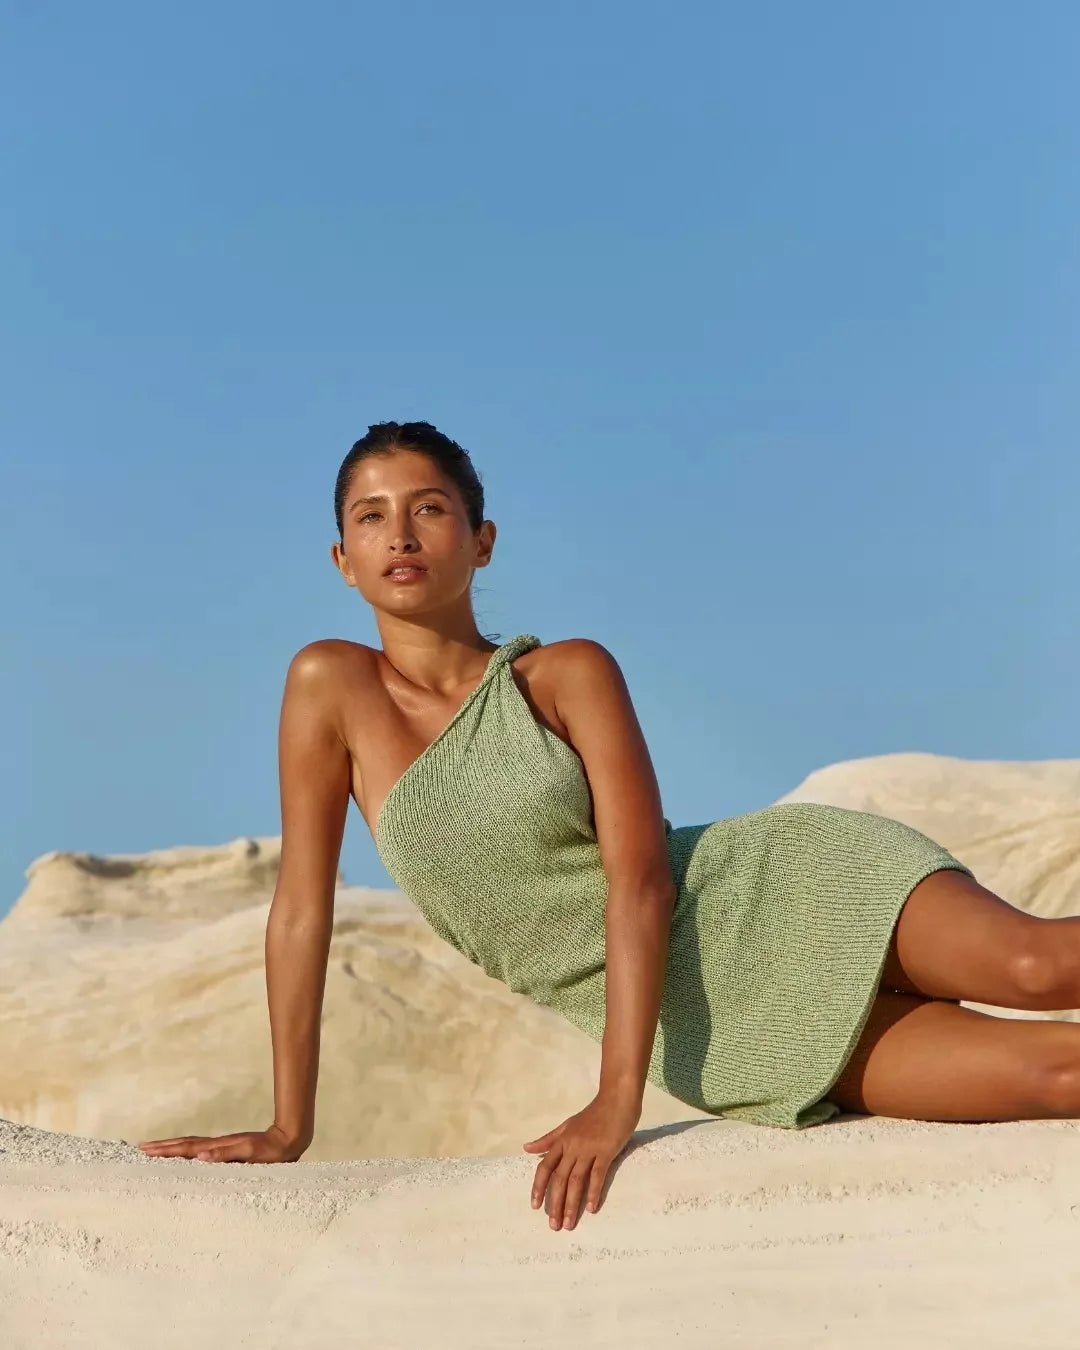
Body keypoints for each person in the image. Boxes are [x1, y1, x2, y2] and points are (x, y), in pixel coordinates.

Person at [141, 421, 1080, 1234]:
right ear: (341, 559)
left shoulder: (567, 675)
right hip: (709, 1022)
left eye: (429, 508)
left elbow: (640, 882)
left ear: (482, 540)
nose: (401, 534)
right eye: (371, 515)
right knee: (1054, 1078)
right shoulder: (328, 686)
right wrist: (287, 1126)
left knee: (1040, 967)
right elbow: (302, 911)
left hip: (778, 889)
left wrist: (615, 1097)